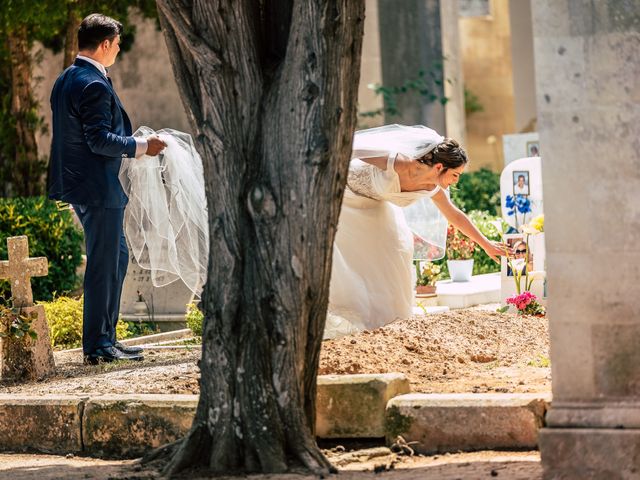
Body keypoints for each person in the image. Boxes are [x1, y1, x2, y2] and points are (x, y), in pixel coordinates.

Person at [48, 14, 167, 365]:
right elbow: (99, 140)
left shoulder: (67, 78)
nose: (118, 49)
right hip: (96, 188)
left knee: (116, 258)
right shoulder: (94, 84)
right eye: (116, 44)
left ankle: (107, 338)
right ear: (104, 45)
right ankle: (99, 346)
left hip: (80, 185)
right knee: (104, 264)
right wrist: (142, 145)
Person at [325, 125, 507, 338]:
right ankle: (343, 317)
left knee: (396, 253)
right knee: (344, 262)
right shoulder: (399, 163)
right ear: (439, 167)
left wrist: (487, 245)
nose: (457, 181)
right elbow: (349, 150)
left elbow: (455, 215)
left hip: (376, 207)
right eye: (455, 175)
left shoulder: (434, 188)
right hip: (343, 197)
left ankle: (381, 323)